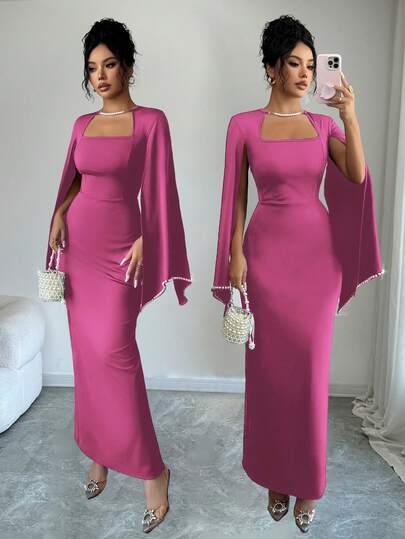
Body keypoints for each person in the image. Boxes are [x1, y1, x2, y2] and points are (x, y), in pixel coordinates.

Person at [211, 14, 383, 533]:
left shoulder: (323, 126)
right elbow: (235, 198)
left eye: (311, 64)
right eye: (294, 63)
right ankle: (274, 476)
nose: (306, 73)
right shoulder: (242, 125)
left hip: (316, 262)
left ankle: (308, 483)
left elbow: (355, 174)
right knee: (269, 376)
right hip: (264, 259)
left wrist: (349, 114)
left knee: (309, 375)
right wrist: (234, 254)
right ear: (271, 68)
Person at [46, 18, 191, 534]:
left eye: (110, 64)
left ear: (128, 67)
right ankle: (100, 454)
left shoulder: (150, 121)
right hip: (79, 249)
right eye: (93, 68)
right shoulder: (81, 125)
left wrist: (149, 237)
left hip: (122, 251)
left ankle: (155, 474)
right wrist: (60, 211)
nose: (101, 75)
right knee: (88, 357)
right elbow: (75, 179)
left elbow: (161, 190)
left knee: (114, 353)